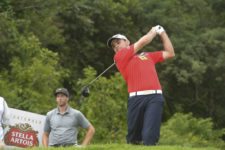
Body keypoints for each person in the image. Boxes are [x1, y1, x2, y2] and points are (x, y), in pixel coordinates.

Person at [107, 25, 175, 145]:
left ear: (127, 42)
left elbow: (170, 53)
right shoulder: (119, 56)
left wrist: (163, 33)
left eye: (118, 42)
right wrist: (154, 30)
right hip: (135, 99)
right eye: (113, 46)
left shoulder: (147, 56)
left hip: (155, 97)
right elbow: (143, 41)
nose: (116, 46)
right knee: (133, 139)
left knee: (150, 137)